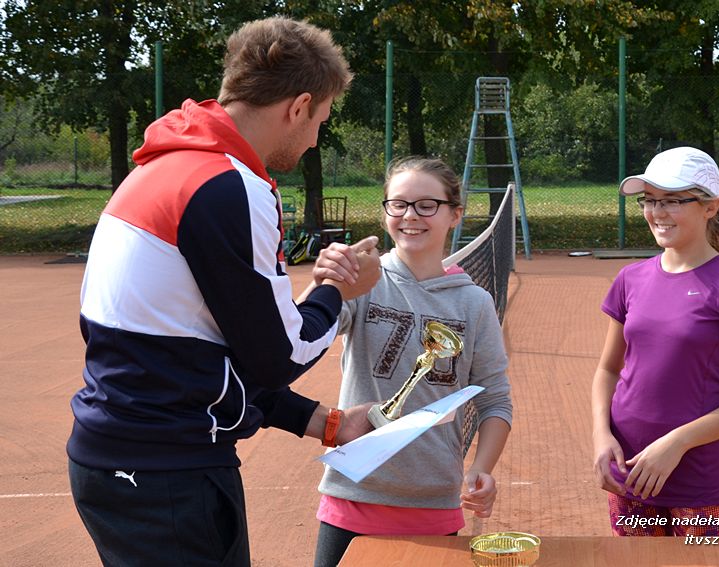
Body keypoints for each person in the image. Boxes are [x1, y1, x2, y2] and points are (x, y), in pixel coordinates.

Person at [67, 17, 381, 567]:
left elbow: (195, 351)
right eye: (321, 121)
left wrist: (327, 423)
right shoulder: (228, 184)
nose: (314, 140)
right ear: (298, 106)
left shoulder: (168, 164)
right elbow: (279, 357)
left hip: (126, 460)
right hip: (167, 473)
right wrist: (338, 289)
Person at [310, 157, 513, 566]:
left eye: (426, 205)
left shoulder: (474, 304)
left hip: (434, 505)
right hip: (353, 495)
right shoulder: (363, 280)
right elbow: (300, 336)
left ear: (455, 214)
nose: (410, 216)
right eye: (398, 204)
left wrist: (483, 467)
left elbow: (495, 400)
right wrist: (323, 285)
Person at [591, 146, 719, 536]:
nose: (657, 212)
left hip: (699, 486)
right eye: (650, 200)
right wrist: (601, 435)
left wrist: (676, 443)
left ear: (710, 206)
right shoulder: (629, 279)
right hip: (629, 476)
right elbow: (608, 369)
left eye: (673, 200)